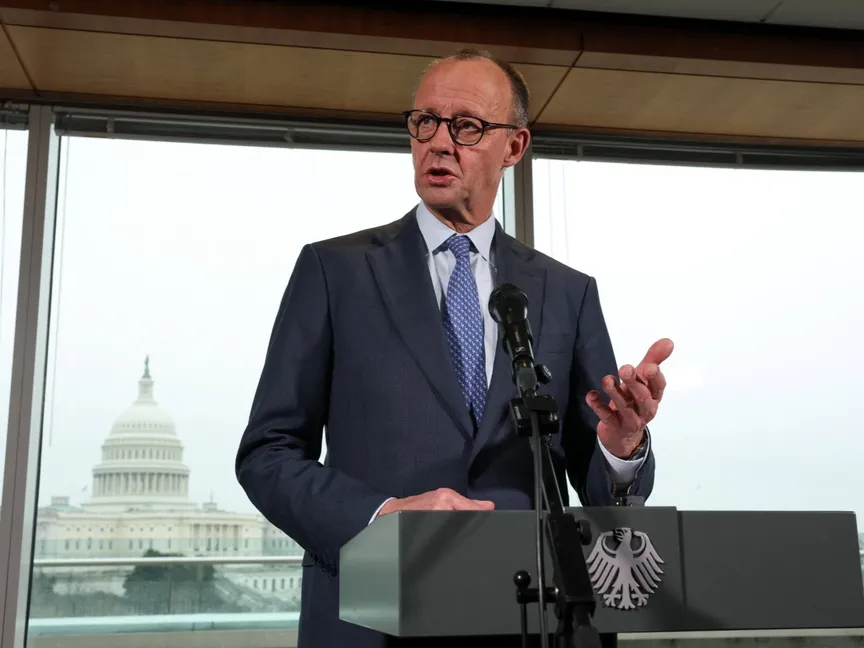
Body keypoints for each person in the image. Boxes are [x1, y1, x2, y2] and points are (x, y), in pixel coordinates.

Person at [235, 48, 673, 648]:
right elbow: (267, 453)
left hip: (529, 620)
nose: (438, 143)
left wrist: (621, 449)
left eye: (466, 126)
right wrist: (381, 518)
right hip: (374, 613)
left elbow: (600, 489)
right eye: (425, 122)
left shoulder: (568, 292)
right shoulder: (333, 272)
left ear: (514, 147)